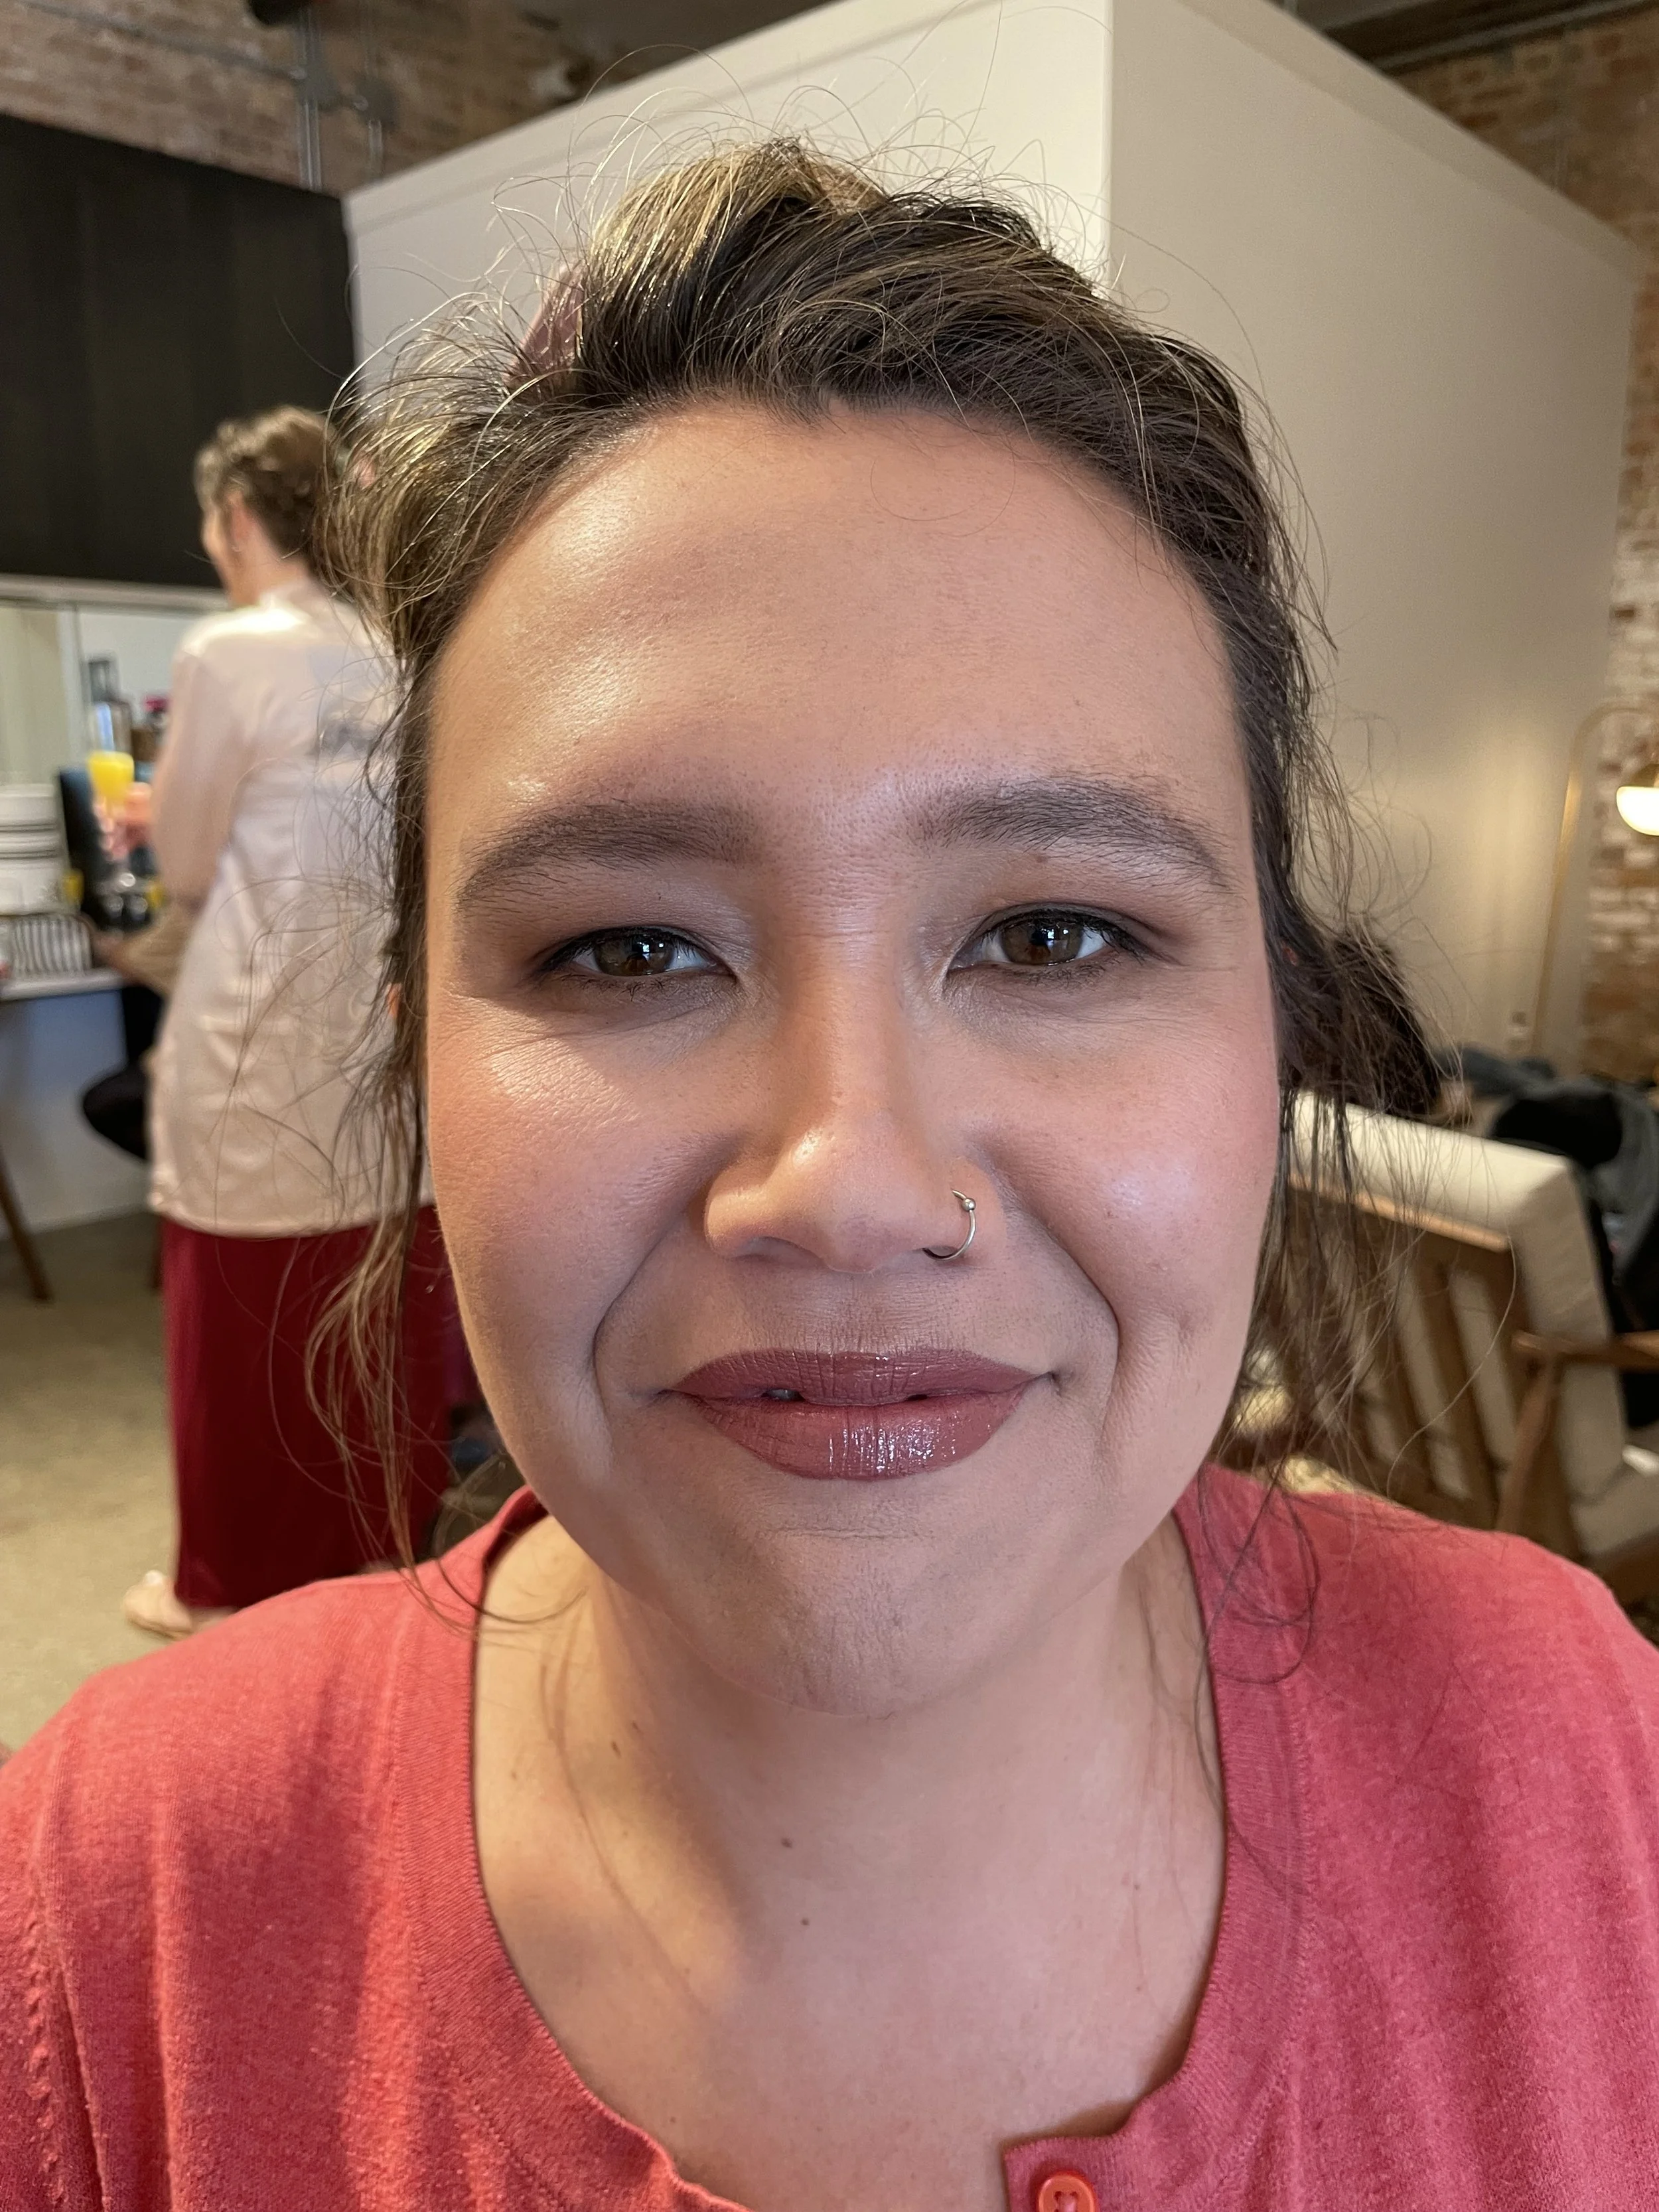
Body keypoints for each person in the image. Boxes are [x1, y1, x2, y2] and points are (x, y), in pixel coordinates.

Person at [3, 145, 1658, 2210]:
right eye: (628, 947)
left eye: (1052, 933)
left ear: (1280, 1029)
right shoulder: (99, 1921)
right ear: (424, 1061)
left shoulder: (1577, 1744)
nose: (852, 1184)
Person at [121, 406, 453, 1638]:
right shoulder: (406, 651)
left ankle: (226, 1579)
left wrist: (156, 826)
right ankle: (381, 1546)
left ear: (238, 517)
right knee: (373, 1288)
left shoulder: (226, 653)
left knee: (240, 1308)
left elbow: (196, 860)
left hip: (254, 1017)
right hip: (377, 1018)